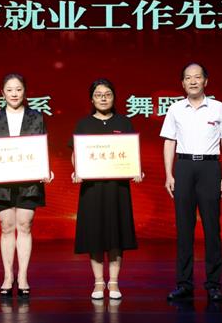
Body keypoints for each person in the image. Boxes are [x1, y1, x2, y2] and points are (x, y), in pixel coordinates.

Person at [161, 63, 222, 302]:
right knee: (184, 228)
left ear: (206, 81)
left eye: (197, 77)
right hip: (183, 167)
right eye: (188, 78)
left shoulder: (219, 108)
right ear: (182, 83)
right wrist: (169, 174)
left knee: (212, 228)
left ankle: (213, 284)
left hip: (209, 168)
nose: (193, 81)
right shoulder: (175, 109)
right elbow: (169, 142)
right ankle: (184, 284)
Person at [70, 78, 143, 300]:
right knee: (94, 235)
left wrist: (136, 170)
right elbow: (75, 154)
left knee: (115, 234)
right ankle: (98, 282)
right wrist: (77, 170)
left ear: (114, 97)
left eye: (108, 94)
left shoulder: (124, 122)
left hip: (117, 188)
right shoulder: (83, 124)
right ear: (92, 99)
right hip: (91, 189)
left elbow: (131, 153)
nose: (103, 98)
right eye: (98, 95)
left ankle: (113, 282)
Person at [0, 73, 53, 299]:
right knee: (6, 227)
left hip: (28, 180)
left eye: (19, 89)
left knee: (25, 225)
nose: (14, 94)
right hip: (1, 181)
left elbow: (41, 145)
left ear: (25, 92)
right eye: (10, 90)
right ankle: (7, 276)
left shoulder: (36, 117)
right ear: (2, 93)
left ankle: (22, 276)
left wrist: (45, 168)